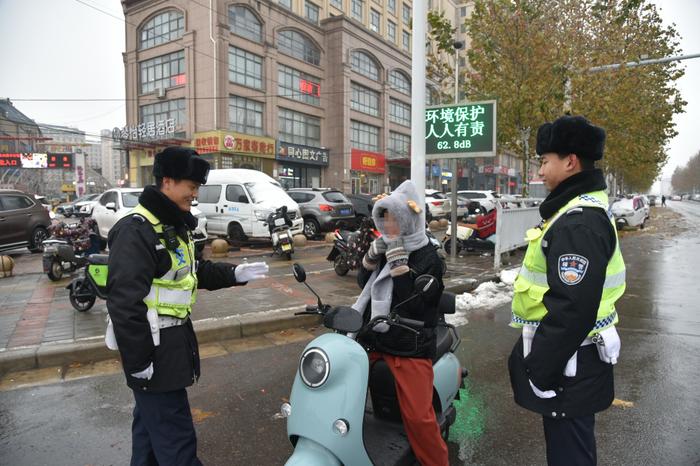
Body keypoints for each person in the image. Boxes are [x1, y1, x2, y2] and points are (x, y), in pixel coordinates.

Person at [105, 147, 268, 466]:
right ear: (167, 181)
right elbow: (124, 303)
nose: (194, 195)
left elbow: (193, 273)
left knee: (150, 436)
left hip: (171, 346)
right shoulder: (137, 230)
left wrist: (235, 273)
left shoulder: (173, 227)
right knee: (176, 443)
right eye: (191, 187)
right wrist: (139, 362)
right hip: (152, 349)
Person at [508, 115, 626, 466]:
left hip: (568, 365)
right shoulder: (575, 213)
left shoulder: (578, 222)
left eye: (545, 161)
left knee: (569, 455)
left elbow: (572, 308)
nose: (540, 171)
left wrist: (540, 369)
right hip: (573, 359)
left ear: (570, 161)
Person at [354, 180, 449, 466]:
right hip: (377, 337)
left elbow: (414, 301)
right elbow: (365, 286)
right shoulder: (384, 246)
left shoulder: (429, 255)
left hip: (411, 343)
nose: (388, 225)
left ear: (409, 220)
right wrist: (371, 258)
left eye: (394, 219)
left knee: (418, 417)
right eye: (384, 218)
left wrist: (397, 258)